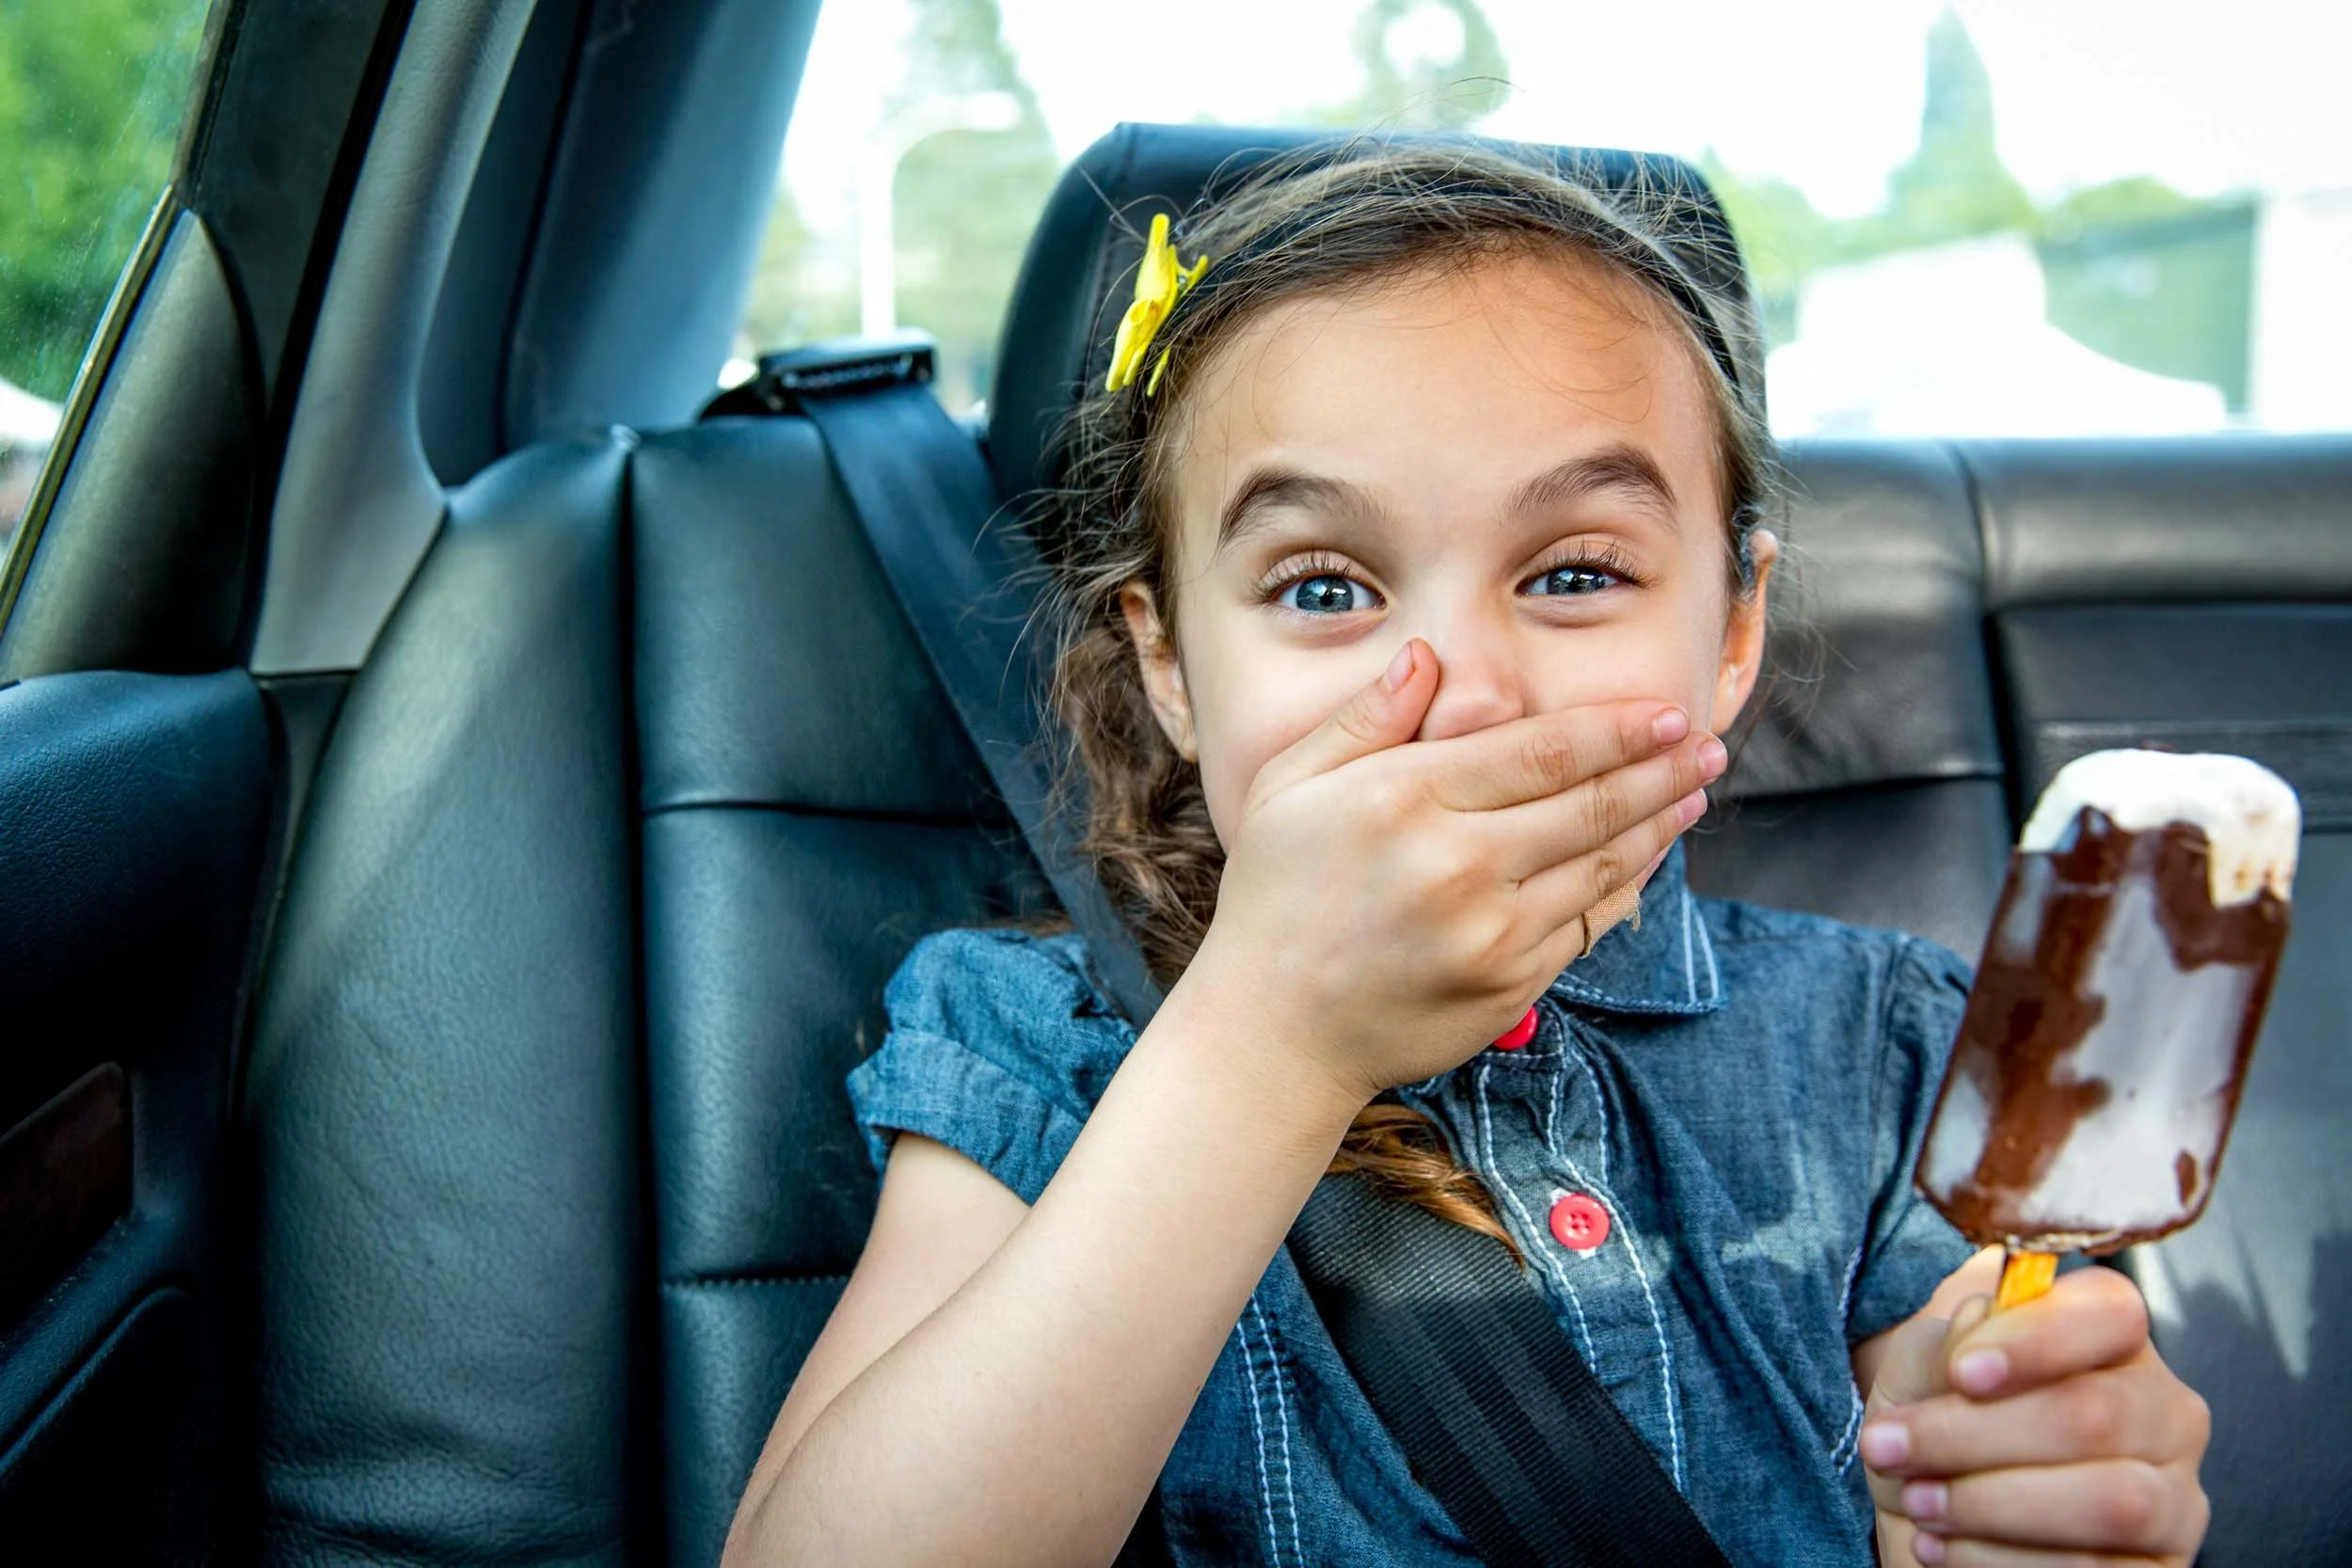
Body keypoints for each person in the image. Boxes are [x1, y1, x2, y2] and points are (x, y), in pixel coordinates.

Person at [723, 142, 2210, 1567]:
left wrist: (2013, 1475)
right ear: (1171, 663)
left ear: (1733, 630)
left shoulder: (1889, 1051)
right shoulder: (1032, 1041)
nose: (1468, 682)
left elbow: (1976, 1426)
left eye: (1573, 573)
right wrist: (1268, 1041)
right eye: (1324, 586)